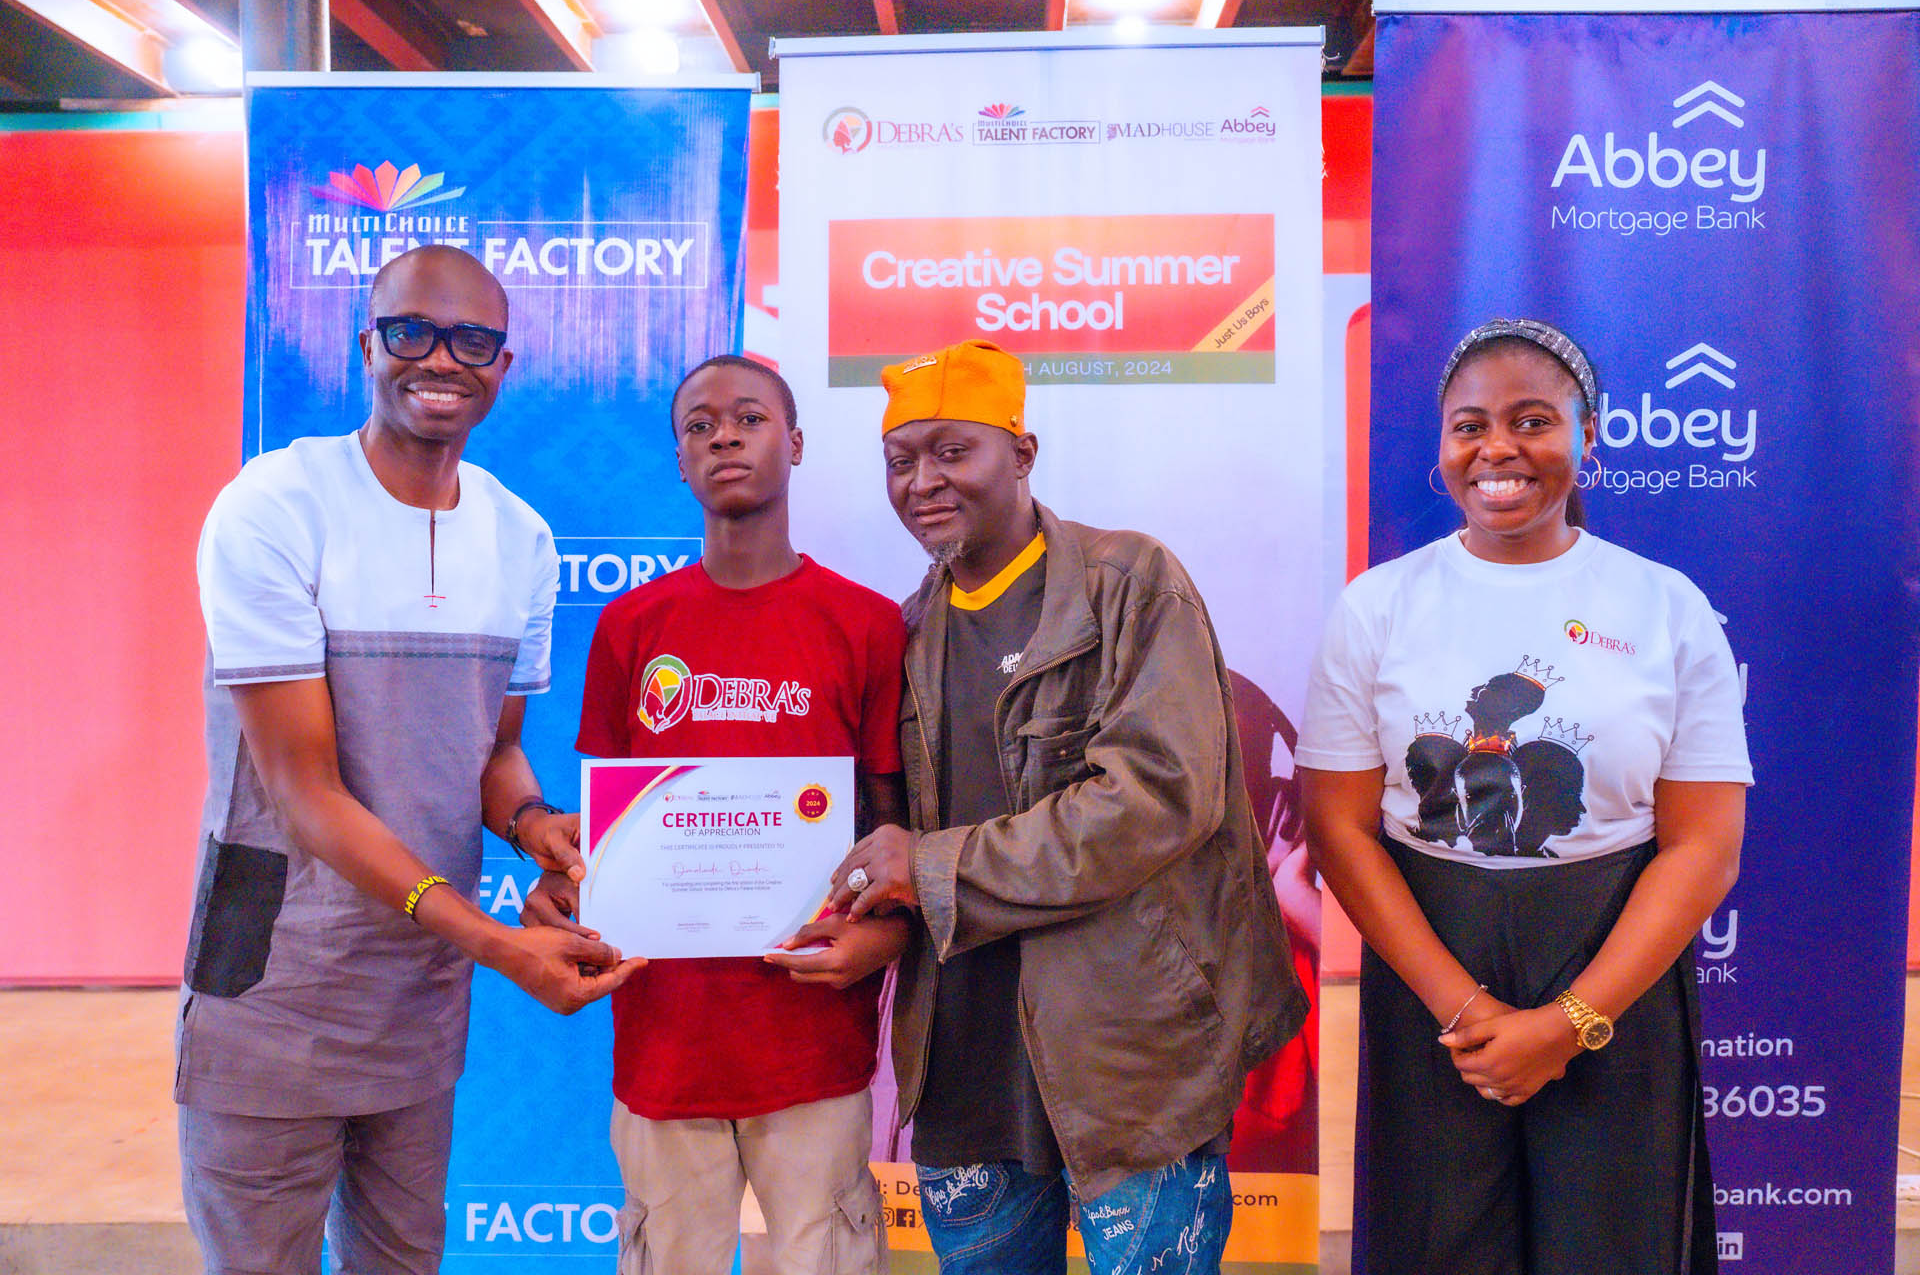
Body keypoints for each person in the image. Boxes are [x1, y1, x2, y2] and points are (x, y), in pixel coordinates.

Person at [178, 244, 643, 1275]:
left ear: (503, 365)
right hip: (271, 975)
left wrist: (535, 826)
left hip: (418, 985)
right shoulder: (274, 504)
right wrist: (496, 943)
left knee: (402, 1258)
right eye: (411, 332)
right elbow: (303, 791)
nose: (440, 358)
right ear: (366, 347)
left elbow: (496, 750)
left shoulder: (521, 537)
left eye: (471, 340)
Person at [826, 339, 1307, 1275]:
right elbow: (875, 833)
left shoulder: (1131, 583)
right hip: (966, 1072)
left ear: (1022, 453)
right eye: (899, 460)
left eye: (952, 451)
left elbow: (1156, 798)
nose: (923, 481)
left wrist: (930, 866)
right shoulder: (904, 632)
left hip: (1133, 1068)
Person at [1296, 318, 1751, 1274]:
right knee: (1438, 1243)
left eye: (1532, 421)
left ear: (1589, 436)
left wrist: (1571, 1023)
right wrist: (1463, 1009)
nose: (1497, 449)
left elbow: (1703, 847)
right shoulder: (1377, 606)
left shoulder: (1666, 606)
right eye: (1470, 427)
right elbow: (1339, 830)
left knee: (1614, 1245)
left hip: (1613, 963)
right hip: (1431, 964)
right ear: (1443, 446)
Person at [523, 354, 909, 1274]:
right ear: (680, 461)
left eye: (749, 418)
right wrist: (566, 889)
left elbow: (896, 829)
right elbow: (606, 836)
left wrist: (886, 935)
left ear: (796, 444)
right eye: (699, 426)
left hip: (812, 1040)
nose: (724, 436)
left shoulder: (866, 624)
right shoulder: (632, 626)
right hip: (665, 1044)